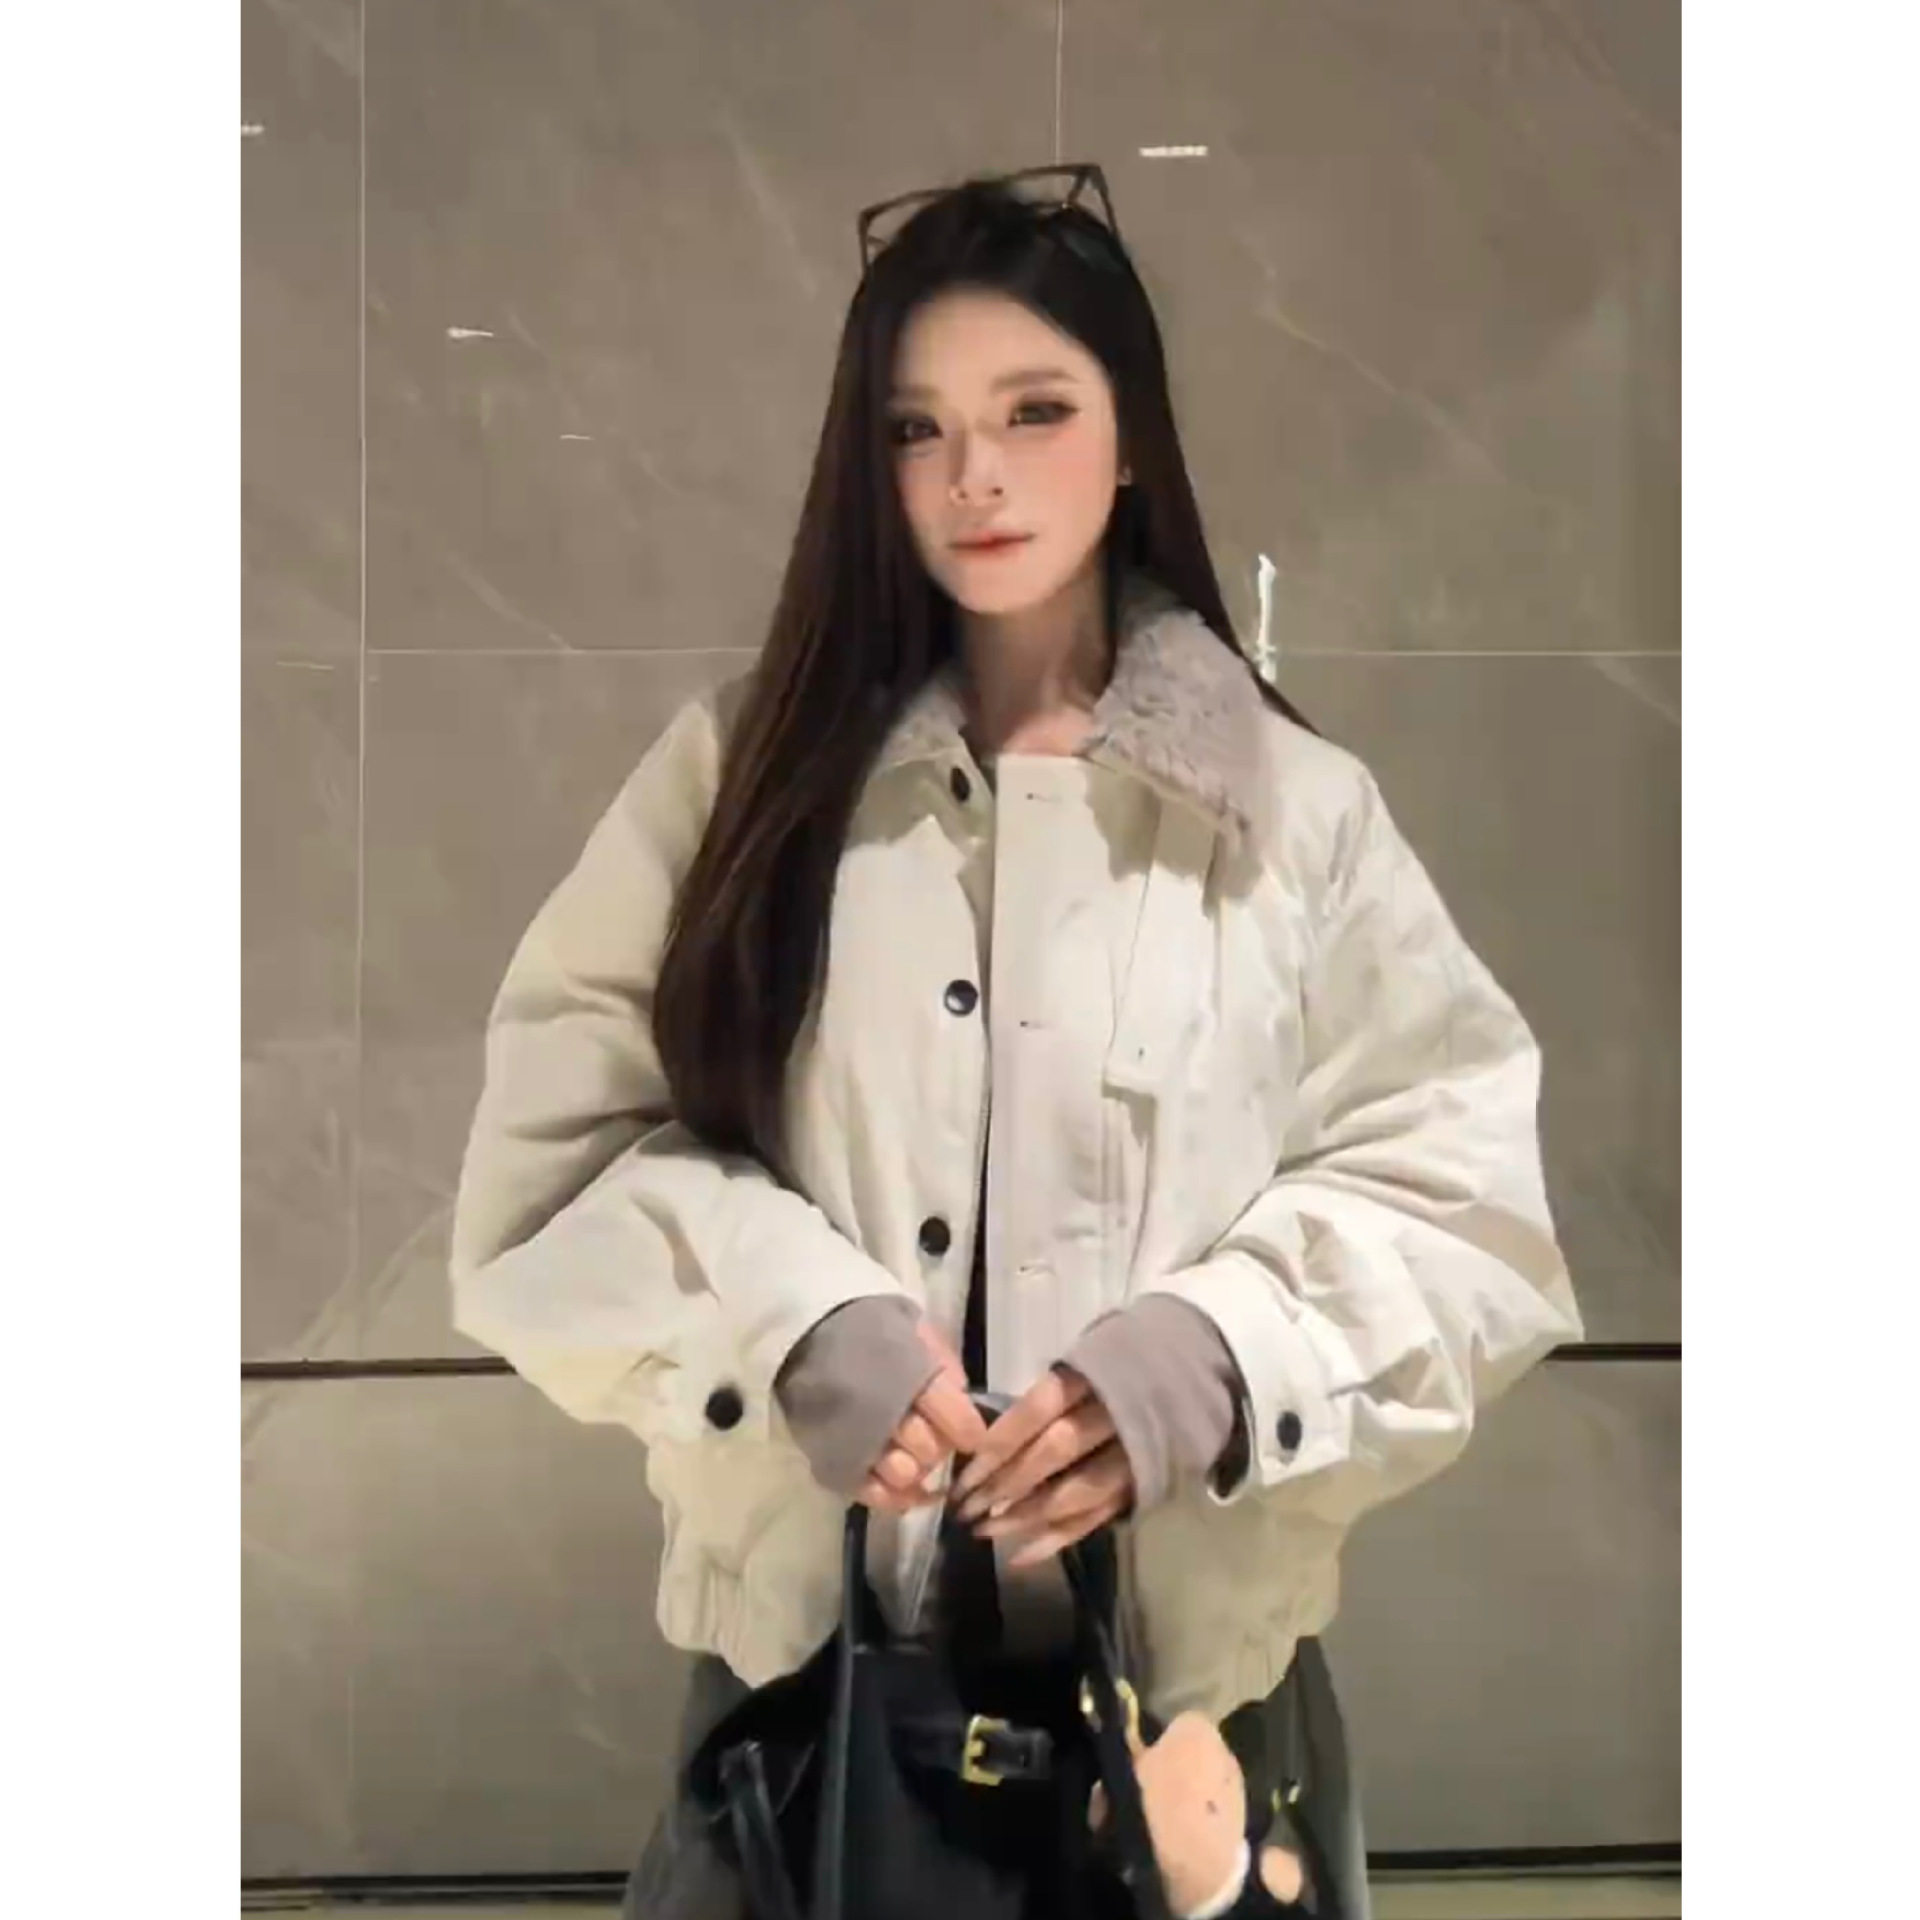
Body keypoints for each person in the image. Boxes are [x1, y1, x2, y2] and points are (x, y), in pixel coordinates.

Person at [448, 166, 1582, 1919]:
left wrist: (1220, 1359)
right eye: (918, 428)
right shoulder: (741, 784)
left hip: (1198, 1747)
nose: (973, 475)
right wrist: (790, 1320)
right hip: (807, 1739)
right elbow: (551, 1172)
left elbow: (1469, 1208)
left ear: (1129, 443)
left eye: (1034, 410)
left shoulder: (1293, 814)